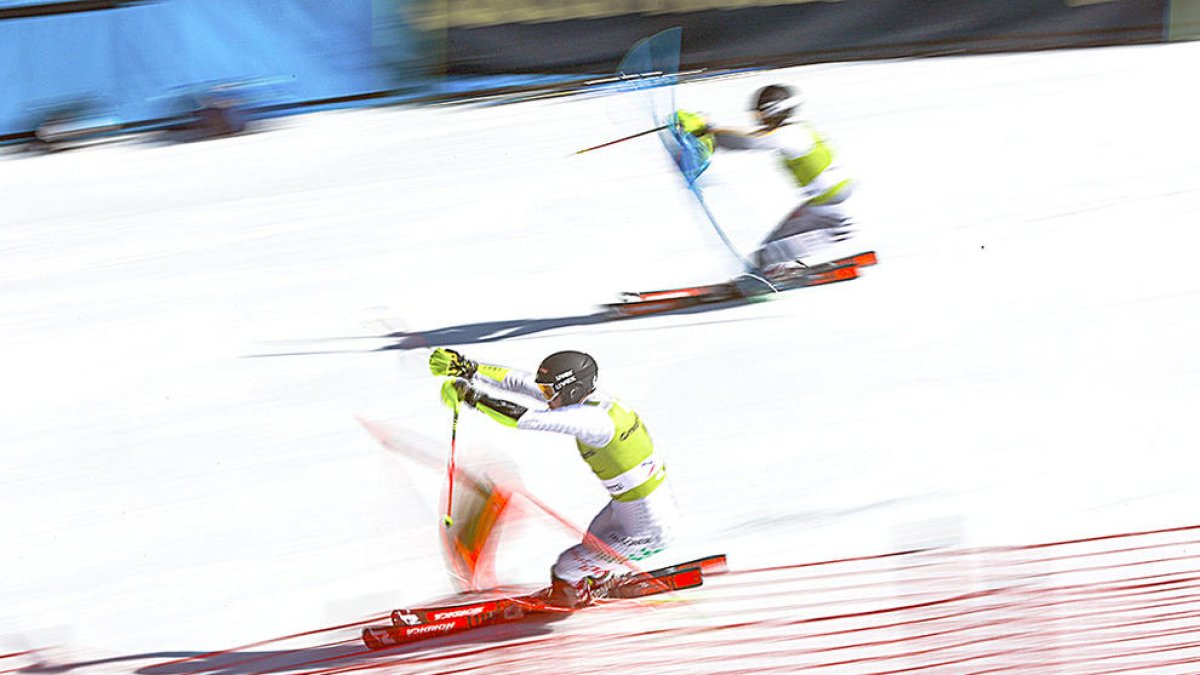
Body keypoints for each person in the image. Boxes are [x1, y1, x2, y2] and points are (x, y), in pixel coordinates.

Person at [429, 347, 676, 608]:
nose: (546, 398)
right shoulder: (590, 400)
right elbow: (520, 383)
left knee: (565, 569)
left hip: (646, 526)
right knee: (588, 551)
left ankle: (573, 599)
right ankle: (597, 581)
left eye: (550, 393)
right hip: (629, 510)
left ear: (571, 390)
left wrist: (473, 398)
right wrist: (470, 369)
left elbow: (526, 418)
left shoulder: (594, 420)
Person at [677, 84, 857, 281]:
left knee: (768, 255)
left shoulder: (791, 134)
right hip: (821, 203)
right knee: (766, 251)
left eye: (760, 115)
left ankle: (776, 271)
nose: (758, 120)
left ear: (774, 112)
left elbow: (752, 141)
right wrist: (711, 132)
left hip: (829, 208)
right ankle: (779, 267)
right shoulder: (794, 130)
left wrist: (710, 132)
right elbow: (753, 137)